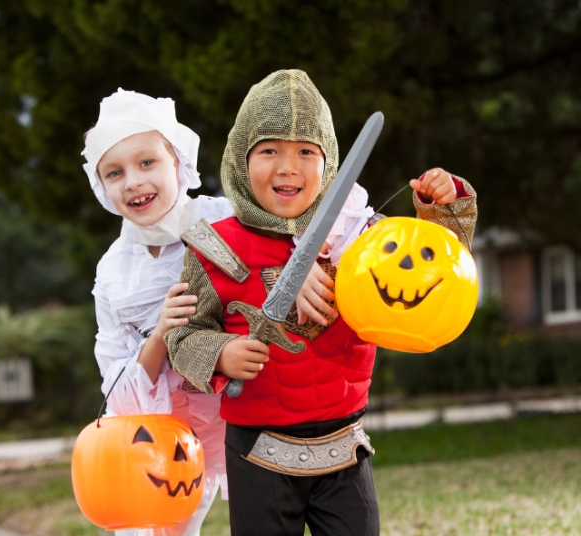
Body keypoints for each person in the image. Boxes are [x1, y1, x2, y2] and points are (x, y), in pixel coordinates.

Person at [165, 69, 477, 536]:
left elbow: (430, 272)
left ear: (328, 162)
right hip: (257, 450)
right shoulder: (215, 247)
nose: (288, 167)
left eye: (306, 153)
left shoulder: (357, 236)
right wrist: (223, 354)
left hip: (343, 444)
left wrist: (441, 208)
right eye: (270, 150)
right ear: (239, 158)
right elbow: (182, 336)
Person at [82, 88, 236, 536]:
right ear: (101, 186)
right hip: (163, 441)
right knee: (152, 529)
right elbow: (118, 391)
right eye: (114, 172)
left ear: (179, 163)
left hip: (248, 414)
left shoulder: (224, 222)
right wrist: (159, 335)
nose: (132, 181)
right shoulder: (113, 272)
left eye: (146, 162)